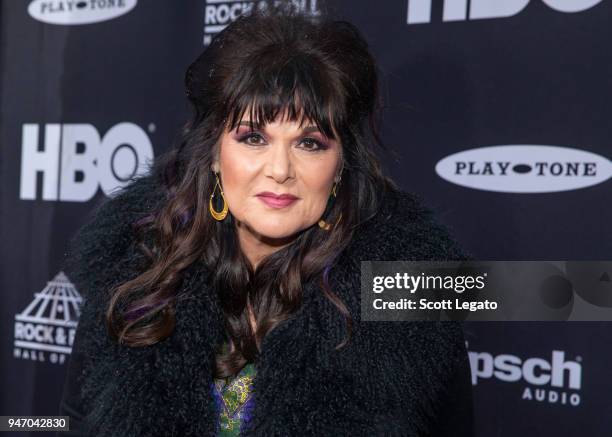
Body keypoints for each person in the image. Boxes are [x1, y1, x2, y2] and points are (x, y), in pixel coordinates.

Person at [58, 4, 474, 436]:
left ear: (341, 165)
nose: (280, 169)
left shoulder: (414, 291)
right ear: (215, 156)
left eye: (310, 143)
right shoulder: (139, 269)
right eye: (253, 138)